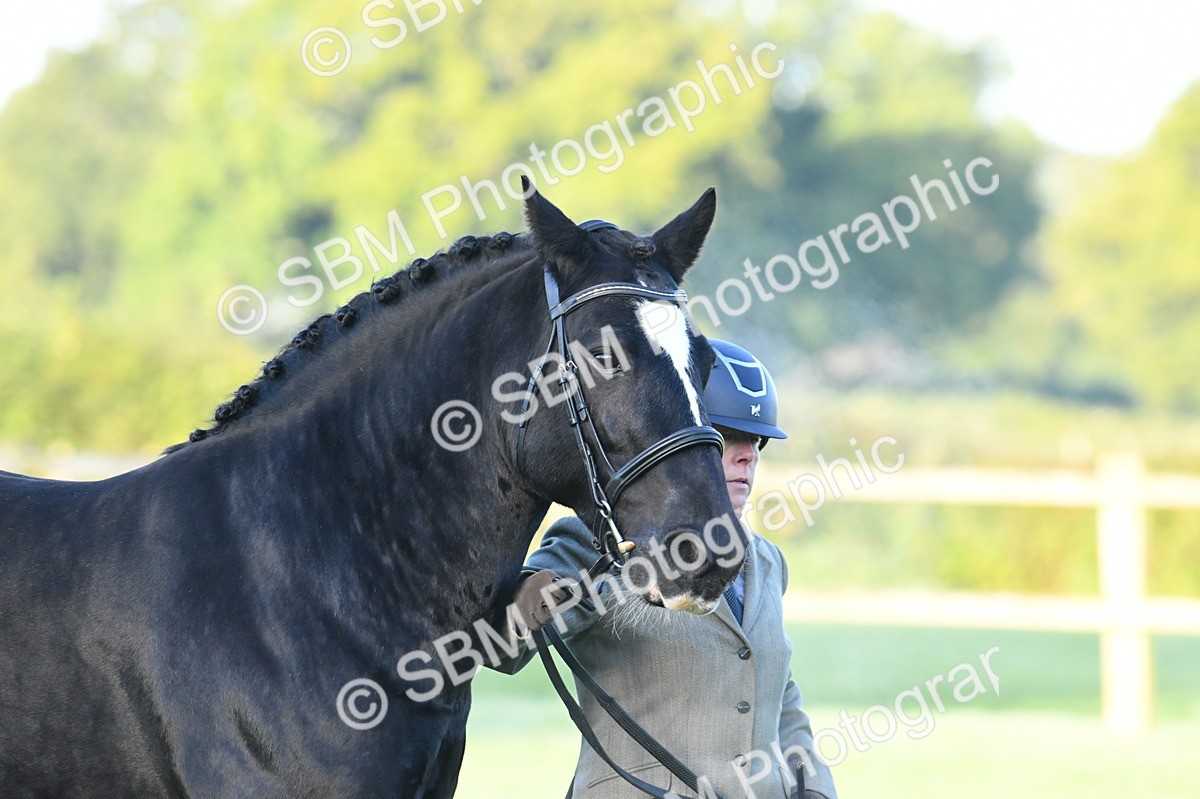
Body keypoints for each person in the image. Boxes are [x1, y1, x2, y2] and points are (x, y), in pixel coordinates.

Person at [493, 339, 837, 799]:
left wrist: (813, 788)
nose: (747, 455)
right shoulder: (594, 540)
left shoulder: (769, 562)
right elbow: (507, 646)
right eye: (725, 437)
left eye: (755, 442)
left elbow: (782, 697)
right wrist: (532, 602)